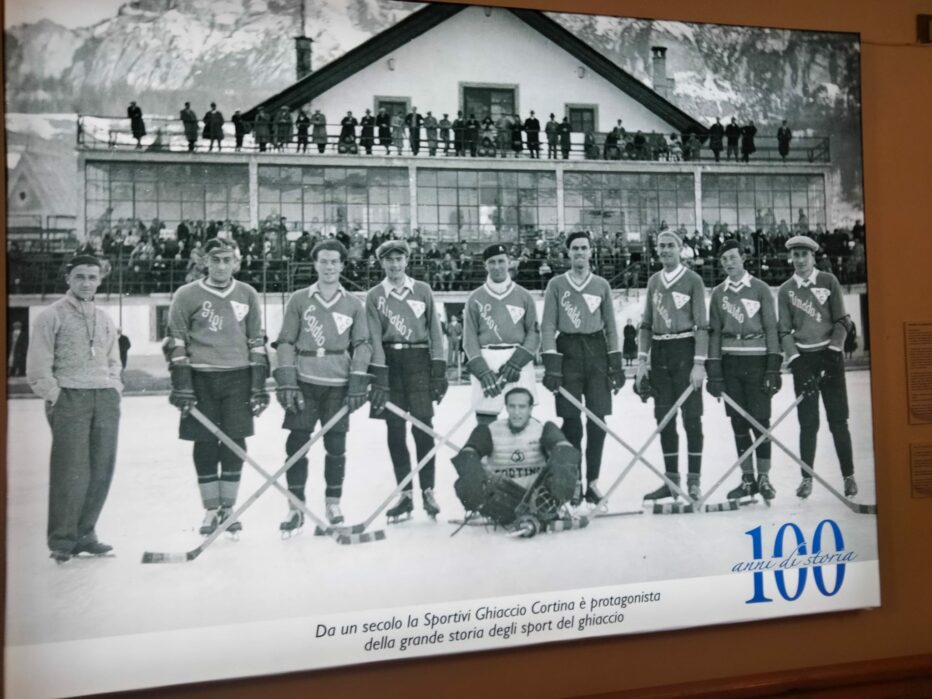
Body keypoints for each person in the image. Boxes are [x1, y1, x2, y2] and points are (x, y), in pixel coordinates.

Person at [165, 238, 268, 538]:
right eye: (215, 260)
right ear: (204, 262)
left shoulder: (248, 294)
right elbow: (176, 340)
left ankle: (228, 508)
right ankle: (211, 509)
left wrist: (259, 385)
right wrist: (182, 384)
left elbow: (256, 341)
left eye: (227, 260)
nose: (221, 266)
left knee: (235, 441)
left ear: (236, 263)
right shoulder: (186, 295)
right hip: (201, 378)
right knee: (206, 442)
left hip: (238, 377)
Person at [27, 254, 123, 563]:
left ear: (99, 280)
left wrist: (114, 388)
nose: (86, 283)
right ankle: (62, 541)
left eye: (92, 277)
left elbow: (114, 359)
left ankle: (86, 534)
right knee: (71, 471)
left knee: (101, 470)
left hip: (104, 398)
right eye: (80, 276)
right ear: (68, 278)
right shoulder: (51, 315)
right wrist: (56, 395)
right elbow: (38, 366)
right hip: (70, 397)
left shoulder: (105, 317)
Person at [273, 240, 371, 533]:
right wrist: (287, 380)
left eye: (334, 262)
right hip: (304, 381)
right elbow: (286, 341)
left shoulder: (354, 303)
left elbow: (363, 345)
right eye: (324, 261)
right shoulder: (300, 299)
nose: (329, 267)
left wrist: (357, 380)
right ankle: (296, 507)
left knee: (336, 447)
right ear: (315, 264)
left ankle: (333, 502)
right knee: (296, 445)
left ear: (342, 265)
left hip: (338, 384)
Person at [541, 231, 625, 506]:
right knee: (571, 421)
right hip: (568, 352)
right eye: (574, 248)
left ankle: (593, 482)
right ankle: (574, 482)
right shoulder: (556, 284)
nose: (579, 252)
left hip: (596, 351)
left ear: (591, 252)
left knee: (598, 420)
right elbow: (548, 326)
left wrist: (615, 363)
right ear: (568, 253)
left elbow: (611, 326)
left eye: (584, 248)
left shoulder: (600, 285)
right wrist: (552, 365)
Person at [366, 240, 447, 521]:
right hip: (390, 362)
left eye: (399, 259)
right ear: (382, 263)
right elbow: (374, 337)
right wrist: (378, 375)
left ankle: (428, 491)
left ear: (407, 261)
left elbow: (435, 332)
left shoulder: (422, 290)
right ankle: (406, 494)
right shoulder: (374, 295)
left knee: (423, 426)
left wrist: (439, 369)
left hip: (419, 361)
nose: (395, 264)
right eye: (389, 260)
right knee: (395, 429)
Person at [777, 235, 858, 499]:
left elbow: (842, 322)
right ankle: (806, 479)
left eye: (804, 255)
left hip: (829, 359)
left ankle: (849, 476)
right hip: (804, 361)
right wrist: (797, 363)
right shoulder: (786, 290)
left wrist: (832, 353)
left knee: (838, 420)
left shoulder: (828, 281)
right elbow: (784, 332)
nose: (799, 260)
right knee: (808, 423)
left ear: (813, 256)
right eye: (795, 255)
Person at [706, 240, 780, 504]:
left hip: (757, 362)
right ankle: (747, 478)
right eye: (724, 259)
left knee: (760, 421)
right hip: (730, 363)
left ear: (743, 258)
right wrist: (713, 370)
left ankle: (764, 478)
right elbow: (713, 332)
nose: (728, 263)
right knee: (738, 423)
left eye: (733, 257)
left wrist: (773, 367)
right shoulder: (718, 293)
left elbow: (771, 327)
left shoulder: (759, 288)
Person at [636, 230, 708, 502]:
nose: (665, 250)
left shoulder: (693, 280)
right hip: (661, 352)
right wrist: (642, 361)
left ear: (681, 249)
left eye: (670, 246)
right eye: (661, 246)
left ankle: (693, 482)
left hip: (685, 349)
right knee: (664, 419)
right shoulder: (654, 281)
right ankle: (671, 481)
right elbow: (645, 324)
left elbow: (702, 325)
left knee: (692, 419)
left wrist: (699, 363)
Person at [450, 387, 580, 535]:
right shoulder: (490, 430)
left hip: (536, 501)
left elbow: (565, 449)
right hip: (502, 500)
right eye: (512, 406)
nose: (516, 412)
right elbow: (469, 453)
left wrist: (563, 483)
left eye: (522, 407)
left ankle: (547, 511)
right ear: (506, 408)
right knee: (468, 462)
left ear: (531, 408)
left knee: (564, 455)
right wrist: (473, 482)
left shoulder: (542, 429)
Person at [464, 244, 540, 425]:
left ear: (509, 262)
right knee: (485, 420)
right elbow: (469, 338)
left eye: (501, 261)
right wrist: (482, 372)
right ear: (485, 266)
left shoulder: (524, 295)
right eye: (491, 262)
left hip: (517, 359)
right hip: (487, 358)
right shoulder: (475, 298)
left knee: (521, 418)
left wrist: (517, 362)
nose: (497, 266)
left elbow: (534, 333)